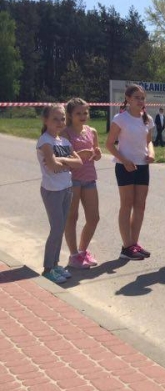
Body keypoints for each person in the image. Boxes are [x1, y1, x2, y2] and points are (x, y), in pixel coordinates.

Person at [106, 83, 155, 261]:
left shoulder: (147, 119)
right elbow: (109, 144)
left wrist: (151, 153)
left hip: (142, 166)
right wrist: (125, 161)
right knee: (126, 204)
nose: (140, 101)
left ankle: (134, 243)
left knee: (140, 205)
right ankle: (126, 246)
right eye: (136, 98)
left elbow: (148, 141)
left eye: (142, 98)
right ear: (128, 99)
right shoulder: (120, 119)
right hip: (124, 166)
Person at [37, 104, 84, 283]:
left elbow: (79, 162)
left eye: (62, 118)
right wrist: (66, 162)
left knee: (61, 228)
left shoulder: (64, 141)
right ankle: (48, 268)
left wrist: (62, 159)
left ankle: (55, 264)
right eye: (55, 119)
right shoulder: (45, 141)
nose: (59, 122)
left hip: (66, 188)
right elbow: (52, 166)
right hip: (52, 190)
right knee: (56, 228)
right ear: (45, 120)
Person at [63, 98, 101, 269]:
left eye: (85, 112)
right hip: (72, 180)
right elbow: (63, 158)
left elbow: (97, 155)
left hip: (89, 178)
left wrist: (97, 154)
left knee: (94, 217)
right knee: (72, 217)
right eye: (78, 113)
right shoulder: (65, 133)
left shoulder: (92, 131)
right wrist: (79, 155)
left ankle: (82, 251)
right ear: (70, 115)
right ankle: (73, 256)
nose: (83, 116)